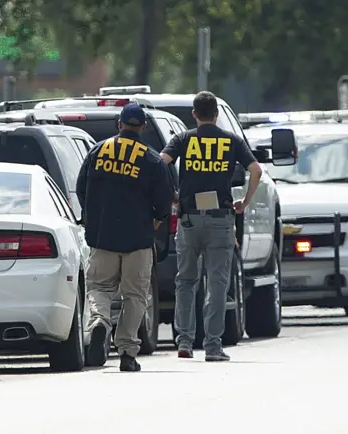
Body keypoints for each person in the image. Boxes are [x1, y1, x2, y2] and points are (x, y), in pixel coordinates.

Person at [160, 91, 262, 362]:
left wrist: (173, 195)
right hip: (220, 218)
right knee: (217, 283)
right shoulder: (231, 141)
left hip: (189, 218)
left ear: (194, 114)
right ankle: (213, 346)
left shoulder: (183, 139)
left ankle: (184, 341)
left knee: (185, 281)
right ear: (216, 114)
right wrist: (244, 201)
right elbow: (256, 170)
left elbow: (160, 163)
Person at [76, 103, 174, 372]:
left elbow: (80, 188)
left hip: (102, 237)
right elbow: (165, 202)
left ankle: (99, 323)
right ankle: (127, 353)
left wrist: (92, 218)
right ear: (142, 127)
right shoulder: (152, 159)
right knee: (135, 296)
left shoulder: (98, 151)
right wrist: (153, 222)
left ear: (119, 124)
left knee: (99, 288)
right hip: (138, 240)